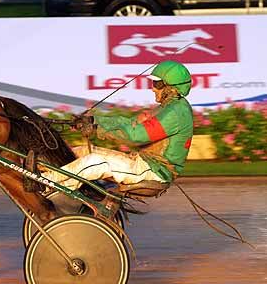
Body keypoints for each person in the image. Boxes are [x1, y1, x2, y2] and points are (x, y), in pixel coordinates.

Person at [40, 60, 194, 191]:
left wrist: (97, 129)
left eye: (157, 83)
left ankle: (43, 183)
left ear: (171, 87)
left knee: (94, 162)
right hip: (142, 162)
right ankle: (45, 172)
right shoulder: (167, 108)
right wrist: (93, 120)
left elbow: (135, 137)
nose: (152, 88)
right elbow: (128, 123)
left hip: (153, 171)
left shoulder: (175, 113)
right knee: (82, 151)